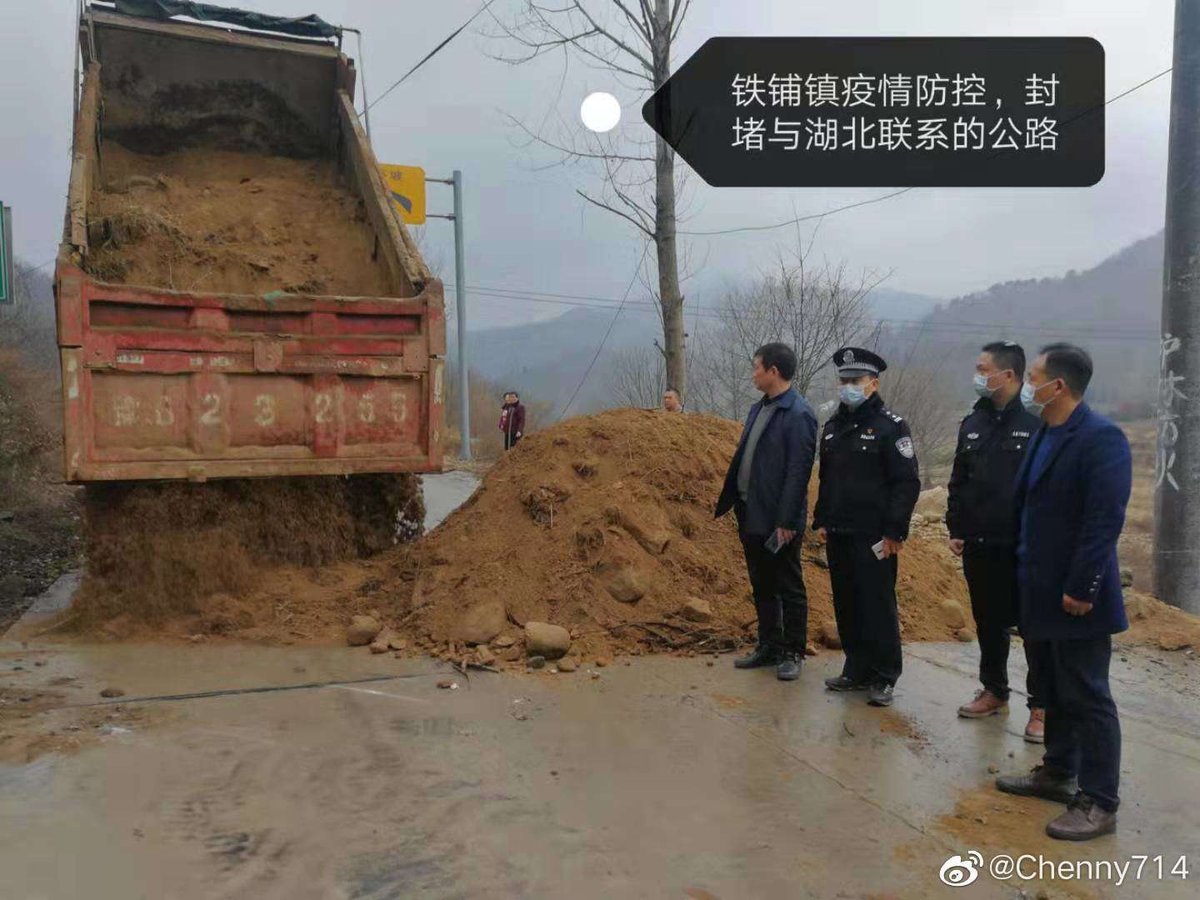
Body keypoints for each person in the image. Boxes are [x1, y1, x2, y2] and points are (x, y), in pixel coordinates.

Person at [995, 344, 1131, 842]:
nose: (1027, 384)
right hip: (1039, 591)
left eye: (1033, 377)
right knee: (1052, 687)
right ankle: (1057, 771)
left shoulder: (1101, 438)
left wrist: (1082, 587)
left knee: (1088, 694)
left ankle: (1099, 799)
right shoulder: (1044, 433)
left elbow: (1104, 520)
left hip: (1078, 599)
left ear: (1059, 386)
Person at [947, 342, 1046, 742]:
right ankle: (994, 690)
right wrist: (956, 525)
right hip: (980, 543)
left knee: (1034, 627)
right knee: (988, 621)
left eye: (982, 368)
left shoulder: (1038, 424)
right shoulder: (973, 422)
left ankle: (1041, 707)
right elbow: (959, 479)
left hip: (1023, 547)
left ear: (1008, 375)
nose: (977, 375)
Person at [812, 347, 920, 708]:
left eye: (855, 381)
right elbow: (827, 479)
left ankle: (885, 675)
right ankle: (856, 668)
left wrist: (895, 531)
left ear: (873, 384)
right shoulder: (833, 427)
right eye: (843, 380)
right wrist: (822, 519)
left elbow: (905, 483)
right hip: (839, 530)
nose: (847, 387)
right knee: (847, 602)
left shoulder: (891, 426)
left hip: (874, 535)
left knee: (877, 603)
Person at [715, 343, 818, 681]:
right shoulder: (759, 408)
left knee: (788, 584)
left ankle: (792, 650)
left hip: (779, 518)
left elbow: (798, 472)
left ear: (774, 371)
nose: (753, 373)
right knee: (762, 582)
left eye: (756, 367)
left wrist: (788, 521)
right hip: (751, 510)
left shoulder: (799, 414)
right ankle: (769, 645)